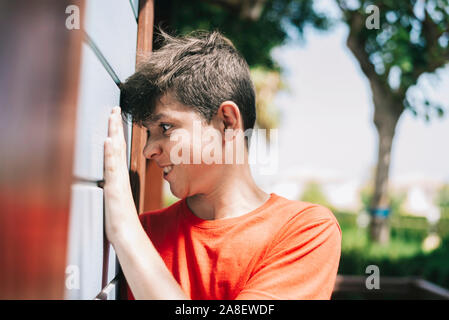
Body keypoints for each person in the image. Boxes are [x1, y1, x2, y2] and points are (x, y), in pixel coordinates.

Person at [103, 30, 341, 300]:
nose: (148, 150)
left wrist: (125, 231)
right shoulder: (142, 232)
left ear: (226, 122)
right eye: (148, 133)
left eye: (165, 127)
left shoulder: (305, 231)